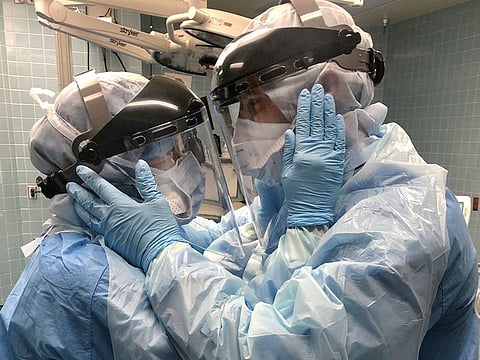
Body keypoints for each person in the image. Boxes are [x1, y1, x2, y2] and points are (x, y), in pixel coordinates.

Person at [68, 1, 478, 359]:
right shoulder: (309, 188)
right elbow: (238, 242)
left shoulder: (403, 228)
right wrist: (171, 234)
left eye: (255, 105)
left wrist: (163, 252)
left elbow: (266, 348)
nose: (239, 132)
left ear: (327, 91)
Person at [0, 70, 244, 359]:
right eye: (171, 152)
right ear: (109, 166)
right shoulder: (87, 275)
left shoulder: (131, 234)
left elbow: (221, 243)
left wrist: (272, 209)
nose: (184, 161)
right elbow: (213, 347)